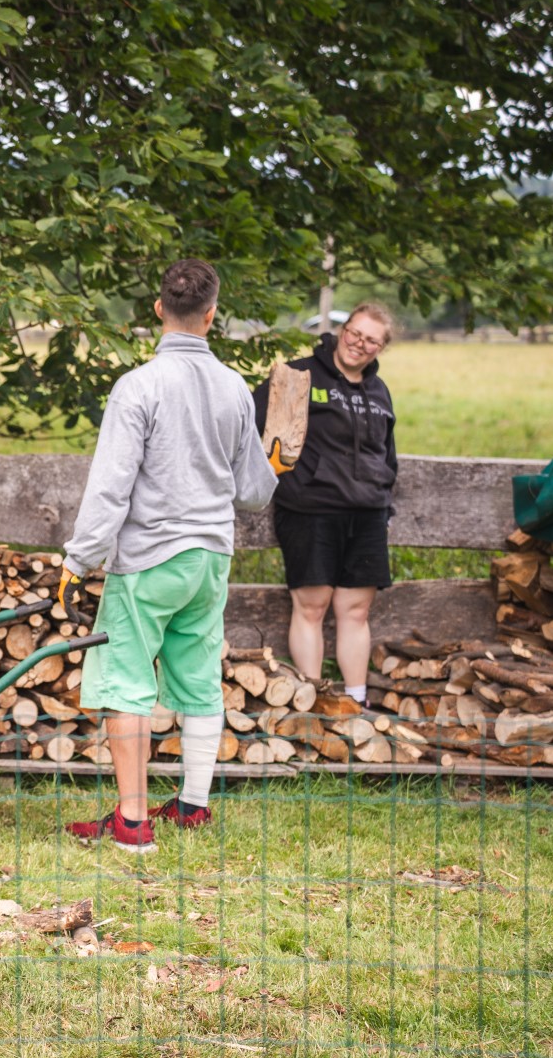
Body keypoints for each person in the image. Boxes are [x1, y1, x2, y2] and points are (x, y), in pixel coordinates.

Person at [57, 259, 281, 852]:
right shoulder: (235, 388)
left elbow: (111, 486)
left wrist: (79, 560)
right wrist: (275, 463)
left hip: (151, 557)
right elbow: (254, 492)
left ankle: (133, 822)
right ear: (212, 315)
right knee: (199, 675)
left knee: (125, 680)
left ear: (159, 309)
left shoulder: (139, 386)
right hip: (209, 560)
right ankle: (192, 806)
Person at [254, 302, 399, 709]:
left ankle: (356, 702)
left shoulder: (379, 391)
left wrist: (384, 500)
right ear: (342, 329)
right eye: (354, 332)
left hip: (367, 514)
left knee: (356, 611)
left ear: (381, 348)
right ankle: (314, 702)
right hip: (310, 510)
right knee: (312, 607)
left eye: (371, 340)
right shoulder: (298, 376)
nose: (359, 343)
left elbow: (387, 454)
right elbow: (249, 427)